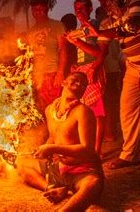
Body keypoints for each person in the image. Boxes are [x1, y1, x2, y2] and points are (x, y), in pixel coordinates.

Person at [87, 0, 140, 169]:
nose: (100, 0)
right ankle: (128, 155)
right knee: (127, 108)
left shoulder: (135, 0)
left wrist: (103, 32)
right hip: (133, 66)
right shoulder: (108, 20)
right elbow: (102, 48)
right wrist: (79, 43)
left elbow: (135, 24)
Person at [17, 72, 104, 211]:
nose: (80, 84)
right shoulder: (50, 110)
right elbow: (53, 137)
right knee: (21, 164)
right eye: (75, 80)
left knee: (93, 185)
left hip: (82, 171)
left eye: (83, 84)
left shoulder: (83, 111)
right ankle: (53, 188)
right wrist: (43, 149)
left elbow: (87, 149)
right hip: (59, 168)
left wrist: (52, 148)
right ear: (63, 82)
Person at [65, 0, 106, 157]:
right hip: (82, 72)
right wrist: (75, 65)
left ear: (90, 9)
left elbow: (99, 53)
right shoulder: (78, 30)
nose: (78, 11)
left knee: (98, 113)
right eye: (76, 9)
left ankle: (96, 150)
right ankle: (86, 148)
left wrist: (77, 43)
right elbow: (81, 54)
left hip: (94, 71)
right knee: (84, 112)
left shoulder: (95, 25)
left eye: (82, 8)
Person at [25, 0, 68, 112]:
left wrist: (60, 72)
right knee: (38, 109)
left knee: (54, 108)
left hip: (53, 74)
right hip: (37, 76)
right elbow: (29, 56)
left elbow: (63, 49)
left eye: (41, 9)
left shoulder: (57, 26)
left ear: (47, 8)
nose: (38, 12)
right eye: (35, 10)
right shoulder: (30, 32)